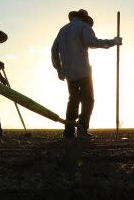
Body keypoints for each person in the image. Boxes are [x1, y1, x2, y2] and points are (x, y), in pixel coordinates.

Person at [51, 10, 122, 139]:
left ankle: (68, 132)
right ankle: (82, 129)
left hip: (69, 73)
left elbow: (54, 50)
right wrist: (113, 41)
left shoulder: (62, 30)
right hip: (83, 71)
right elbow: (92, 42)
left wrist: (59, 69)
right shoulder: (84, 27)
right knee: (88, 100)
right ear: (85, 19)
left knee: (73, 100)